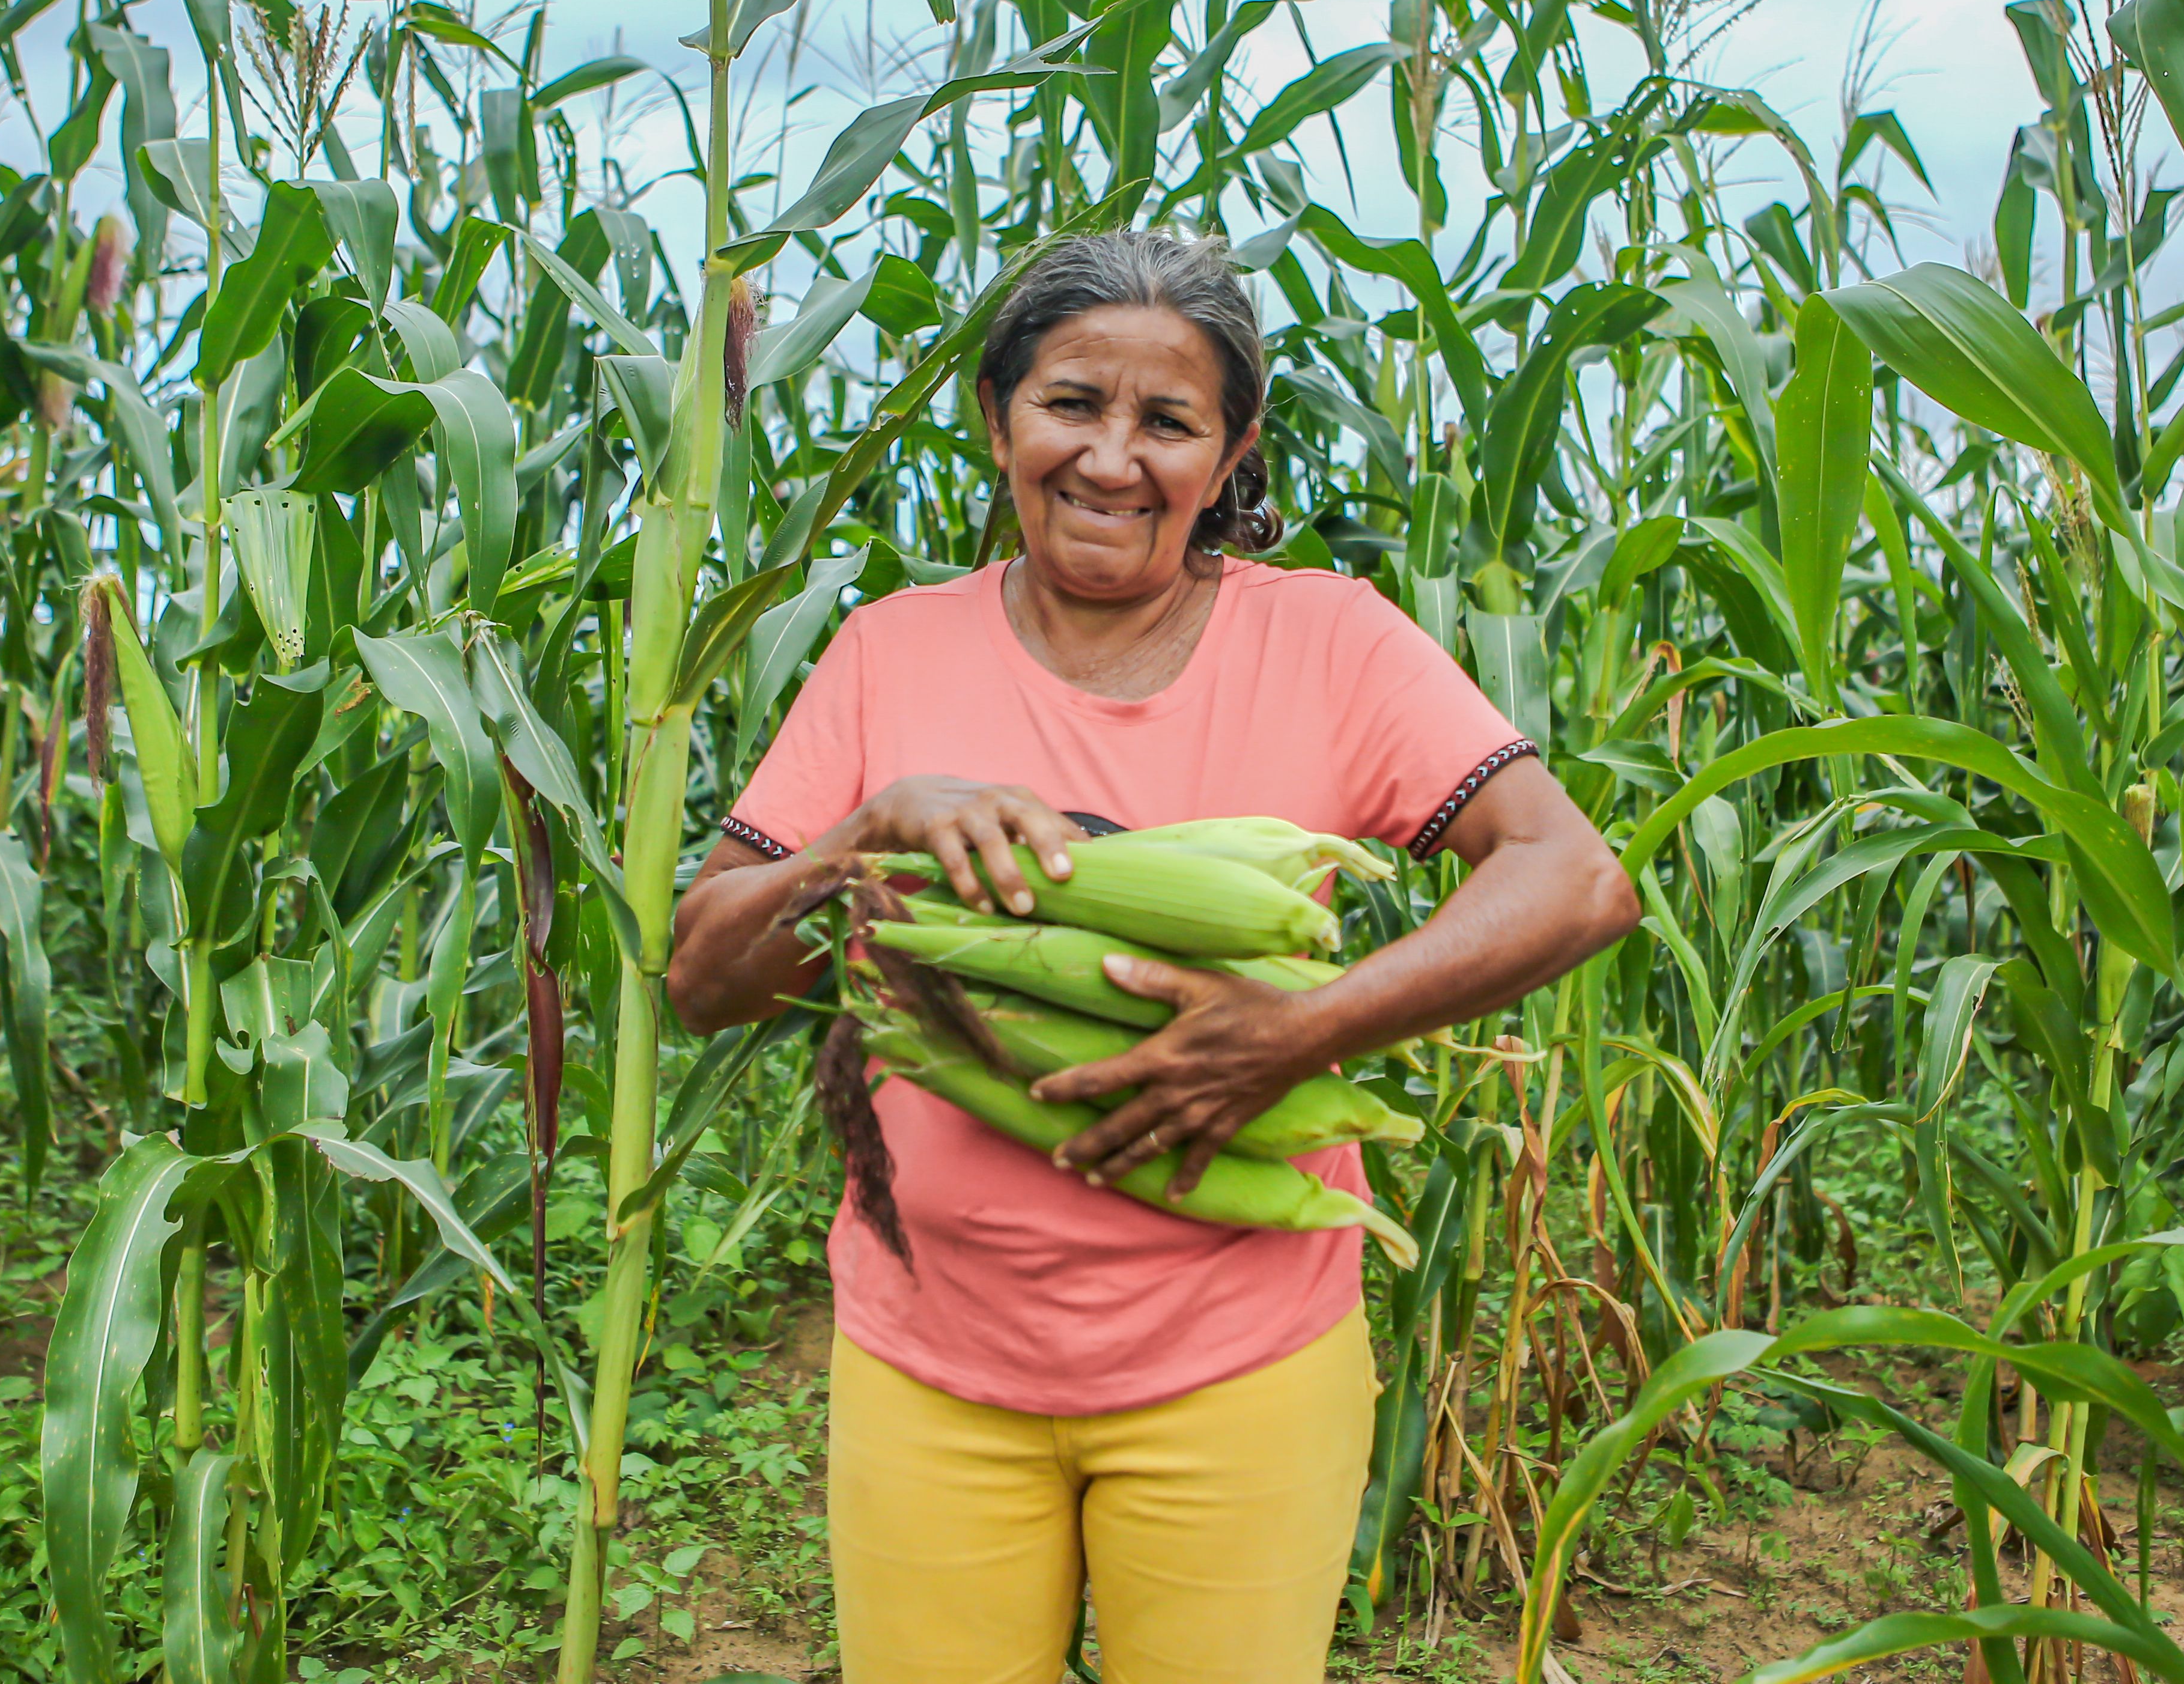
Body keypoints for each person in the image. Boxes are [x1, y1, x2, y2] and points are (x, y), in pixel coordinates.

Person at [669, 228, 1637, 1684]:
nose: (1112, 458)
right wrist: (860, 840)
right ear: (996, 417)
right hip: (932, 1367)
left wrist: (1297, 1034)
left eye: (1168, 422)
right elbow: (703, 978)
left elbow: (1573, 876)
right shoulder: (889, 652)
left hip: (1237, 1371)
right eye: (1071, 404)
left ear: (1231, 450)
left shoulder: (1327, 644)